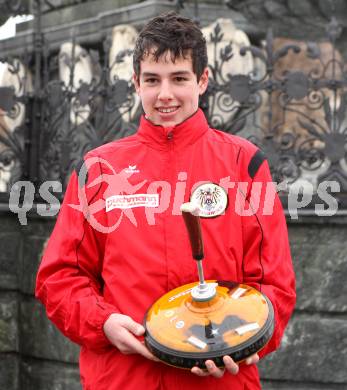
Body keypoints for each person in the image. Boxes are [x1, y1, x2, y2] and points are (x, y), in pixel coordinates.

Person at [35, 11, 296, 390]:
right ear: (136, 83)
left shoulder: (244, 163)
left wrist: (246, 342)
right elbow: (59, 277)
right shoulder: (99, 168)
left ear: (202, 80)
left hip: (220, 381)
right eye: (153, 80)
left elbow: (274, 284)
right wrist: (103, 323)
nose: (165, 95)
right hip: (123, 376)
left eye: (179, 79)